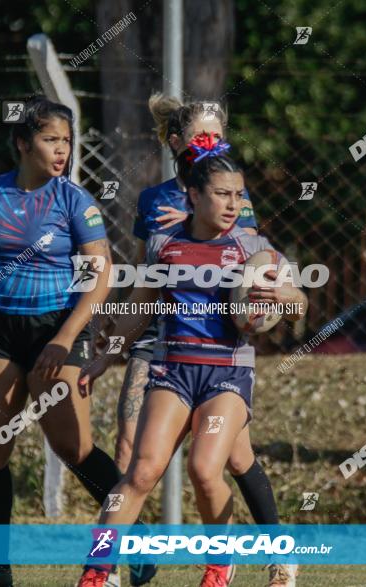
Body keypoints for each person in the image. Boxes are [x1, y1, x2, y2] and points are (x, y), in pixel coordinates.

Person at [0, 96, 155, 587]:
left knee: (74, 448)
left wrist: (67, 337)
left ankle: (135, 539)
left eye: (68, 142)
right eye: (52, 139)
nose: (62, 150)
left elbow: (102, 276)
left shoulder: (75, 202)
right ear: (22, 142)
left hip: (58, 330)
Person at [76, 140, 308, 587]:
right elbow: (143, 304)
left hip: (227, 375)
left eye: (239, 195)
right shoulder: (165, 243)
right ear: (194, 196)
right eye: (222, 194)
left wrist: (285, 296)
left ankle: (220, 564)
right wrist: (106, 356)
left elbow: (300, 301)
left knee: (205, 468)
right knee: (141, 471)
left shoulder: (253, 248)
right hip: (174, 371)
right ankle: (96, 569)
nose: (233, 204)